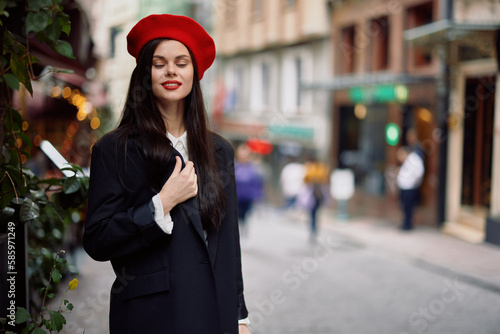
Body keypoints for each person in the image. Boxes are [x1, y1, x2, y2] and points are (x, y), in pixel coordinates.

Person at [82, 14, 250, 334]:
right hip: (150, 317)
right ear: (145, 73)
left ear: (194, 73)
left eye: (182, 62)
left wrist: (240, 316)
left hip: (213, 314)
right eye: (159, 63)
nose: (171, 71)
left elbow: (228, 243)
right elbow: (98, 240)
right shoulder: (114, 149)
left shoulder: (219, 151)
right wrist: (160, 205)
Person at [234, 144, 263, 238]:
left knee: (246, 218)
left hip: (247, 197)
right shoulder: (234, 166)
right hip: (236, 198)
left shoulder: (253, 168)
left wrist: (257, 197)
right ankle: (236, 235)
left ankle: (244, 235)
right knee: (236, 218)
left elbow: (257, 183)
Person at [396, 145, 425, 230]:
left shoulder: (414, 159)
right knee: (405, 207)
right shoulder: (408, 161)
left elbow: (419, 173)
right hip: (405, 188)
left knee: (408, 208)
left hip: (410, 188)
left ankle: (407, 225)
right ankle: (405, 223)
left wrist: (413, 184)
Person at [300, 156, 329, 240]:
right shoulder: (323, 168)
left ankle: (313, 229)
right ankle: (314, 229)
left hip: (313, 194)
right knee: (315, 213)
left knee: (312, 213)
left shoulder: (309, 168)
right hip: (318, 194)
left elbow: (305, 180)